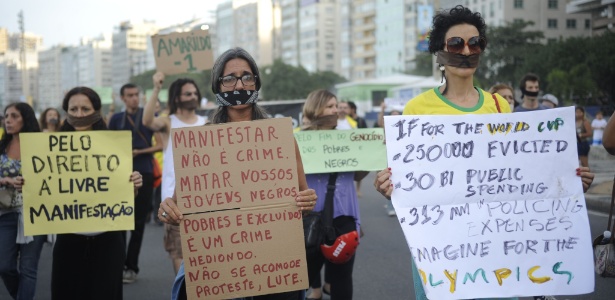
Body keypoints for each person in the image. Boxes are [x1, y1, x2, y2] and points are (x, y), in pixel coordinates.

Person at [372, 5, 594, 300]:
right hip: (442, 251)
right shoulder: (416, 110)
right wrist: (388, 186)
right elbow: (404, 180)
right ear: (440, 50)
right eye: (456, 43)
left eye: (475, 43)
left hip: (494, 247)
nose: (466, 51)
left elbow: (521, 174)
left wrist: (568, 181)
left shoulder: (500, 107)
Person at [157, 47, 317, 300]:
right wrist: (169, 209)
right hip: (221, 264)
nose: (239, 85)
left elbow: (301, 198)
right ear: (218, 86)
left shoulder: (280, 136)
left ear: (256, 82)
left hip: (274, 264)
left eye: (247, 77)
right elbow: (179, 205)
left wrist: (307, 201)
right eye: (229, 78)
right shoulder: (199, 142)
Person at [50, 86, 143, 300]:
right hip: (68, 242)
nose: (79, 114)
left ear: (96, 111)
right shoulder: (51, 150)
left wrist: (134, 186)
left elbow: (126, 196)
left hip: (107, 242)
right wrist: (25, 184)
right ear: (66, 113)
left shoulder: (114, 146)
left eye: (85, 108)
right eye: (73, 109)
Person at [301, 89, 364, 300]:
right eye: (329, 106)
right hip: (309, 219)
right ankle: (317, 290)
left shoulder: (348, 138)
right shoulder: (298, 141)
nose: (335, 110)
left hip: (343, 217)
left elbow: (358, 174)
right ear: (314, 108)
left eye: (336, 106)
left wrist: (371, 158)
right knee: (303, 279)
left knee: (342, 279)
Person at [142, 74, 207, 275]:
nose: (193, 96)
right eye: (188, 93)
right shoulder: (168, 123)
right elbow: (146, 121)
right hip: (175, 203)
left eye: (195, 93)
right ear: (177, 98)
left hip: (205, 201)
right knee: (180, 255)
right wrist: (155, 88)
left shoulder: (207, 123)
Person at [108, 83, 161, 284]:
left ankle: (131, 267)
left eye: (136, 94)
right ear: (122, 98)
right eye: (129, 95)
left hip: (145, 172)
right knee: (119, 222)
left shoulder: (148, 117)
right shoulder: (115, 119)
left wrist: (139, 152)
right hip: (120, 174)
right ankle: (119, 264)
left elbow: (160, 144)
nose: (134, 98)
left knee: (138, 224)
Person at [0, 102, 45, 300]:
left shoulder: (41, 146)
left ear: (25, 119)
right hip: (5, 214)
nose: (8, 120)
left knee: (28, 269)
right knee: (5, 266)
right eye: (6, 116)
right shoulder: (2, 145)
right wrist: (5, 180)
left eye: (14, 116)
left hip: (35, 214)